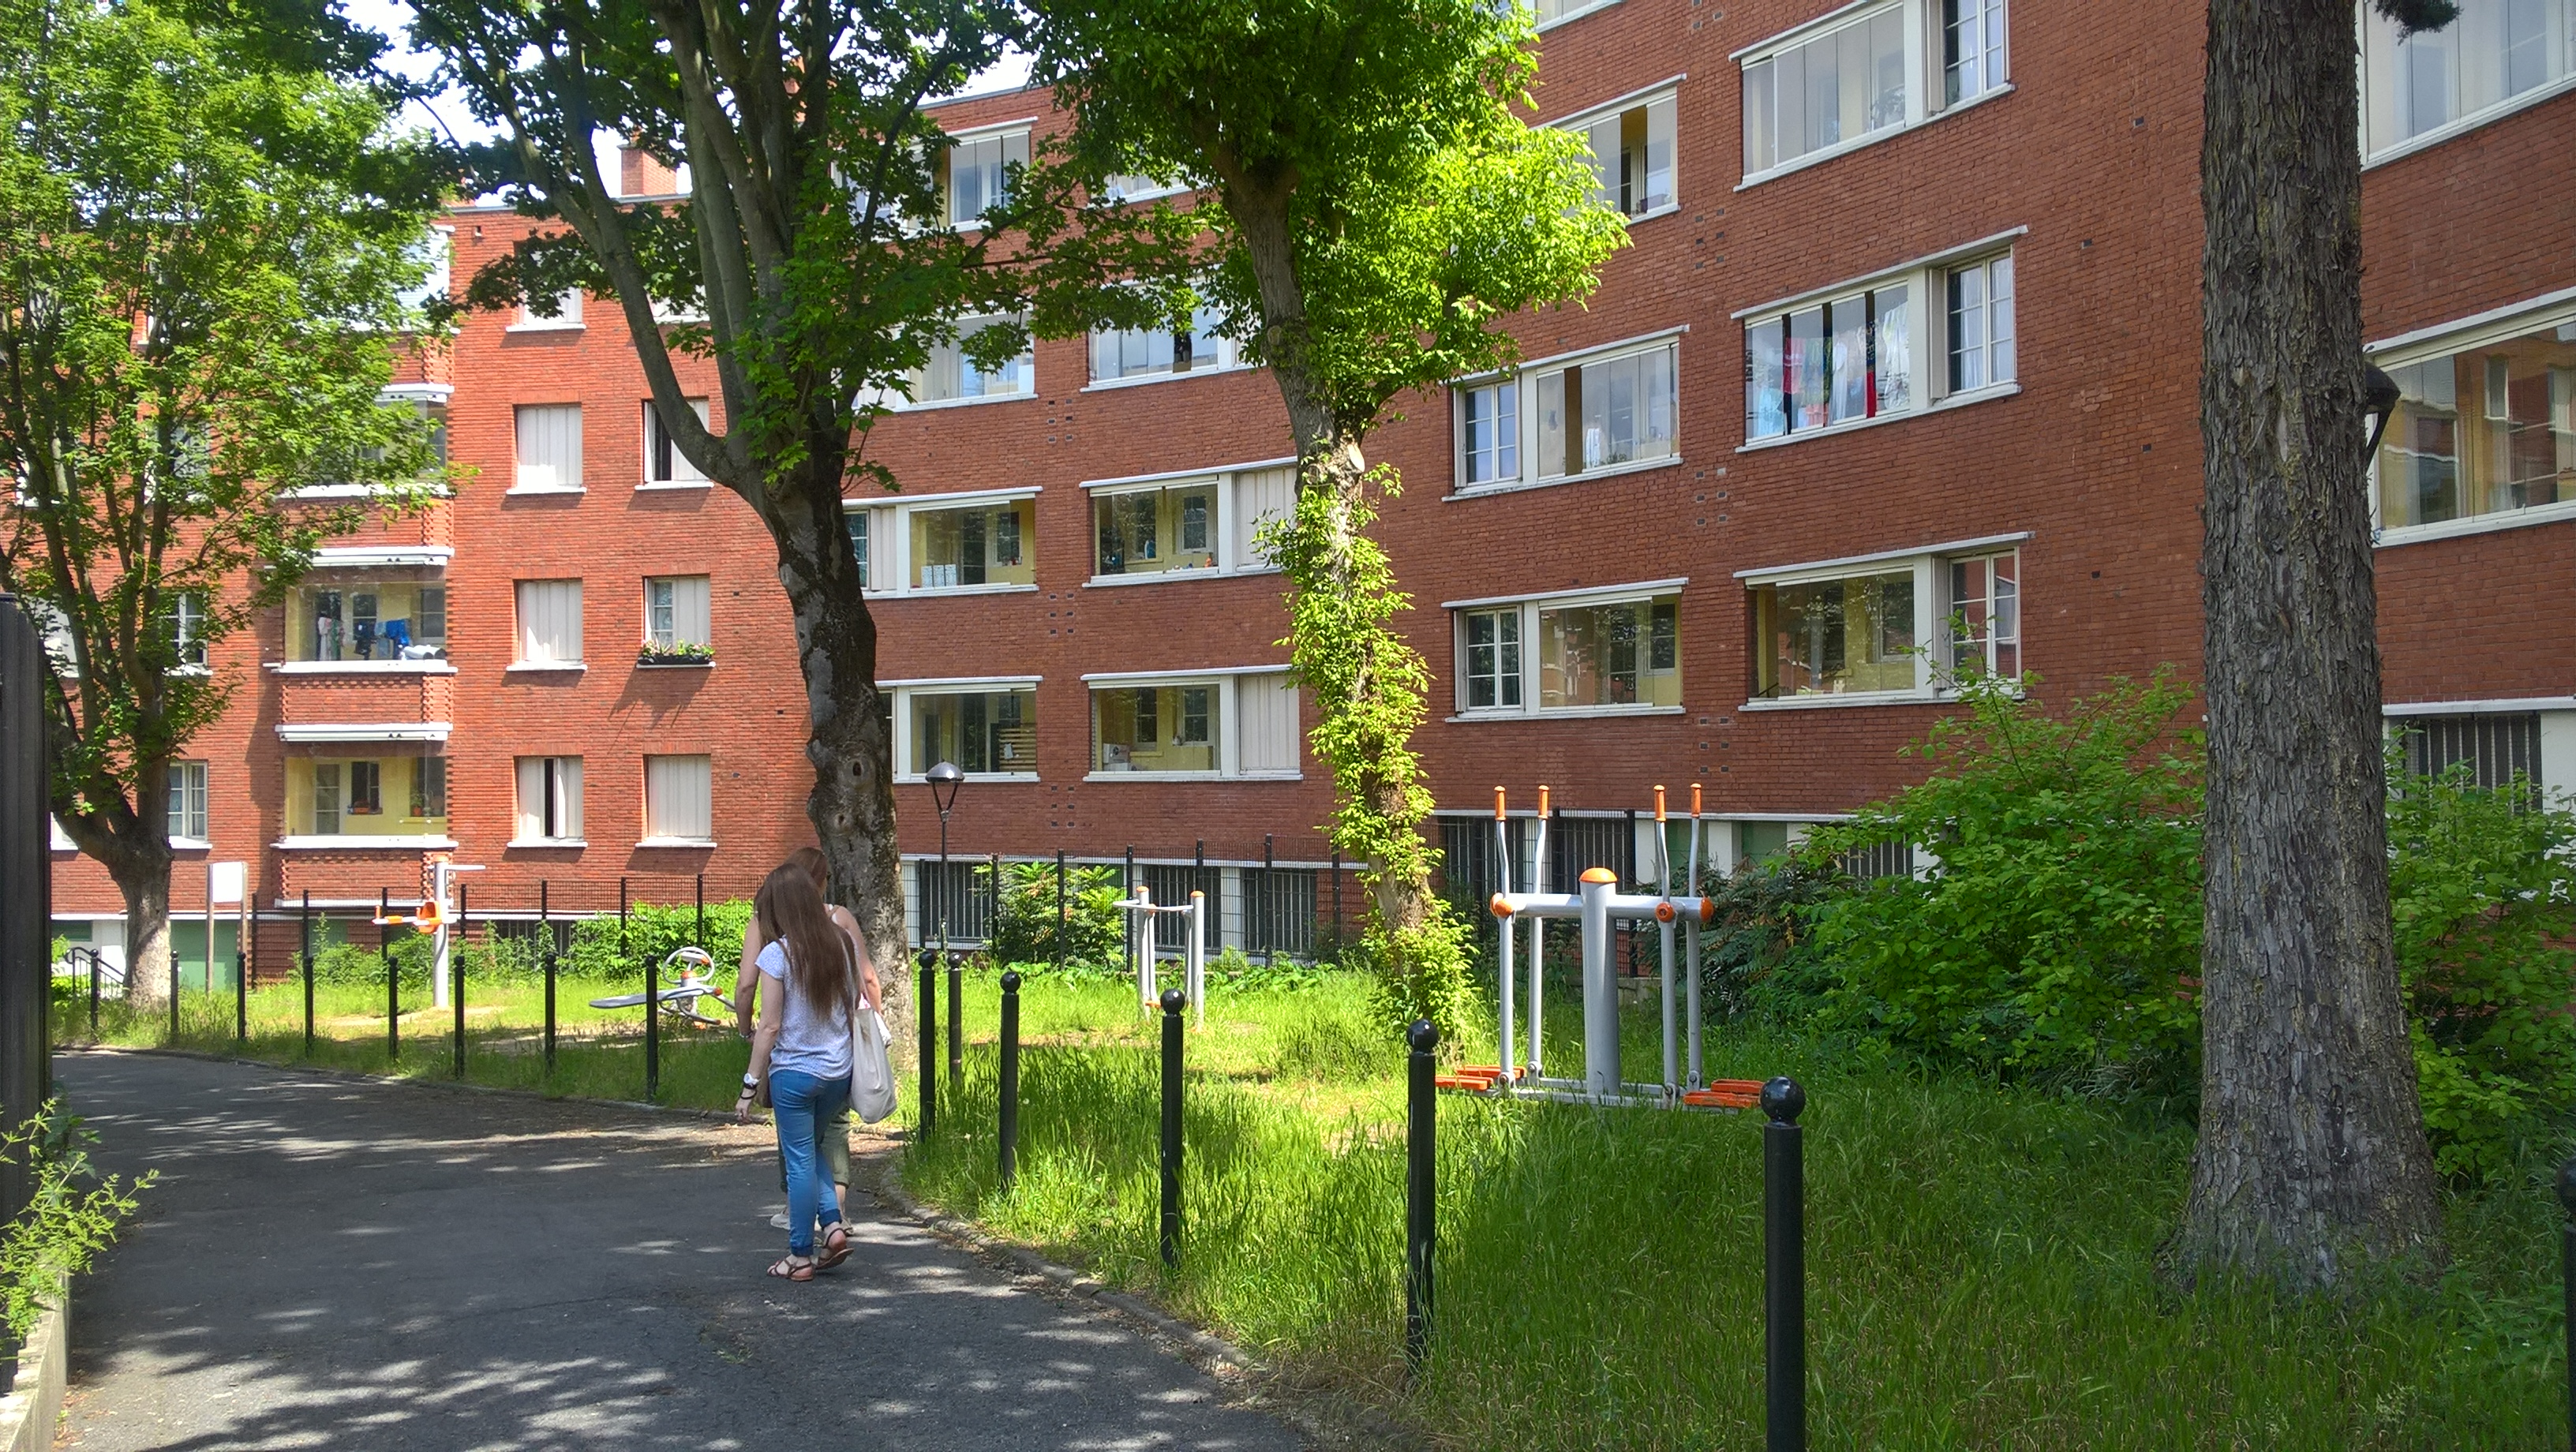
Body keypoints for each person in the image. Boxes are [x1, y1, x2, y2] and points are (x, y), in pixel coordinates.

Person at [736, 863, 876, 1280]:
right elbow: (856, 1004)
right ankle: (832, 1227)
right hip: (838, 1073)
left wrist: (749, 1084)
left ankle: (799, 1255)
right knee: (811, 1151)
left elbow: (771, 1025)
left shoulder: (776, 954)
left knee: (797, 1161)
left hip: (795, 1077)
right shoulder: (842, 944)